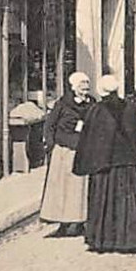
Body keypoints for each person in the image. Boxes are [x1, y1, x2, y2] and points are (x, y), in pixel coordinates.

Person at [74, 75, 136, 254]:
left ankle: (104, 239)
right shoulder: (129, 108)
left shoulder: (96, 110)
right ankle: (131, 239)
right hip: (128, 163)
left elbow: (89, 137)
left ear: (101, 91)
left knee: (104, 200)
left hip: (105, 165)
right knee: (128, 201)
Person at [40, 72, 95, 237]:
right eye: (81, 88)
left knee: (80, 189)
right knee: (62, 189)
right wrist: (51, 146)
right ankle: (62, 224)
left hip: (83, 150)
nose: (84, 91)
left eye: (86, 88)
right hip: (63, 151)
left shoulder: (92, 103)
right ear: (74, 87)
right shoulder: (63, 104)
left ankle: (80, 222)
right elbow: (49, 125)